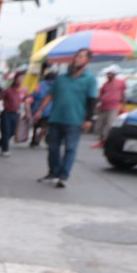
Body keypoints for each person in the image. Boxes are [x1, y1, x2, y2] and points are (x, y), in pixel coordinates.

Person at [30, 48, 97, 188]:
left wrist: (88, 119)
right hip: (56, 118)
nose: (76, 59)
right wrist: (39, 110)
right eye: (76, 56)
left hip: (75, 120)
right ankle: (53, 172)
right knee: (52, 147)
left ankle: (63, 176)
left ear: (87, 61)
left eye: (80, 57)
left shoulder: (90, 80)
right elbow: (49, 95)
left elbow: (92, 100)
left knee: (70, 148)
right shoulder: (61, 79)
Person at [92, 65, 126, 148]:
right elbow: (101, 95)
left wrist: (123, 104)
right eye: (107, 74)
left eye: (110, 73)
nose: (108, 75)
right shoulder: (105, 84)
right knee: (100, 124)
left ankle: (106, 142)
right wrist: (98, 104)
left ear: (114, 74)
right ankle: (101, 141)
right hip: (103, 107)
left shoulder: (120, 82)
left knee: (109, 124)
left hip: (113, 107)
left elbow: (123, 94)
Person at [0, 72, 27, 156]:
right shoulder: (8, 90)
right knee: (6, 132)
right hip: (6, 113)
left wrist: (27, 112)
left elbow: (26, 102)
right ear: (15, 79)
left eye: (22, 79)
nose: (21, 80)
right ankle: (5, 150)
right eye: (19, 78)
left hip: (16, 114)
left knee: (11, 133)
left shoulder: (23, 91)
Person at [27, 69, 56, 148]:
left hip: (38, 109)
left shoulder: (39, 85)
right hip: (48, 111)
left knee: (36, 126)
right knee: (45, 127)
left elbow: (33, 96)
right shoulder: (55, 86)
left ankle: (35, 139)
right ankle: (37, 138)